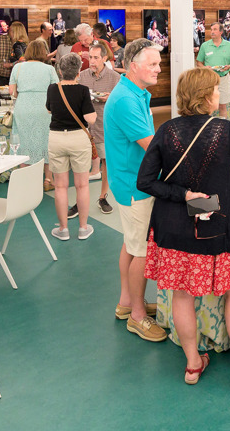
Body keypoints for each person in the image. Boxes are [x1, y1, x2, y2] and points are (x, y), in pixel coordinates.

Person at [137, 67, 230, 390]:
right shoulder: (224, 130)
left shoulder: (166, 130)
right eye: (215, 90)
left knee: (181, 294)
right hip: (212, 226)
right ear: (206, 96)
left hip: (171, 227)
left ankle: (193, 364)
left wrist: (183, 193)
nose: (218, 95)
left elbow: (145, 181)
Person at [104, 38, 167, 342]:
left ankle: (127, 302)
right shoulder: (127, 100)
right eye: (153, 64)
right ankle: (138, 317)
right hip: (134, 185)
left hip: (128, 181)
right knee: (141, 249)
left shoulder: (135, 92)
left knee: (131, 245)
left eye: (158, 63)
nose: (159, 68)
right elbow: (152, 147)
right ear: (132, 67)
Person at [46, 53, 96, 241]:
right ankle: (83, 228)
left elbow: (49, 109)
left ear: (60, 71)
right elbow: (90, 118)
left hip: (57, 138)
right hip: (78, 139)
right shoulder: (83, 90)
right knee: (82, 185)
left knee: (60, 186)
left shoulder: (52, 88)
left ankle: (63, 229)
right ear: (78, 73)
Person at [77, 43, 121, 215]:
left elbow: (120, 102)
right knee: (80, 164)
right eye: (90, 57)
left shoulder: (114, 77)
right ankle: (79, 200)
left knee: (106, 161)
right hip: (83, 127)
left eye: (96, 57)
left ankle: (103, 197)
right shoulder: (81, 76)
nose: (92, 61)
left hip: (104, 125)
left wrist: (110, 98)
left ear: (104, 58)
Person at [9, 39, 58, 190]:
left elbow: (12, 92)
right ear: (44, 53)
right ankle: (48, 180)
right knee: (46, 141)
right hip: (44, 107)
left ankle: (26, 180)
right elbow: (56, 89)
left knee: (24, 142)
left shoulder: (17, 68)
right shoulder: (49, 69)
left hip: (23, 107)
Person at [196, 23, 230, 119]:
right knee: (207, 106)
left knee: (222, 106)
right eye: (211, 29)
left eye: (215, 29)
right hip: (209, 80)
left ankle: (222, 128)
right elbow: (199, 63)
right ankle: (208, 127)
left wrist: (229, 66)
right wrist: (205, 68)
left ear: (221, 32)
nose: (212, 32)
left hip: (224, 79)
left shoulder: (229, 45)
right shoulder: (205, 46)